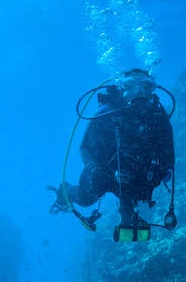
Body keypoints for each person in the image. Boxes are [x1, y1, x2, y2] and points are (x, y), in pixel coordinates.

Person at [53, 68, 176, 241]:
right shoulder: (106, 111)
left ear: (152, 89)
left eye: (146, 86)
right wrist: (94, 168)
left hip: (138, 171)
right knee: (85, 199)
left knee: (140, 195)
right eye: (132, 85)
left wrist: (164, 170)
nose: (139, 92)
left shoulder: (157, 114)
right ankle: (66, 192)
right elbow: (84, 147)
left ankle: (129, 217)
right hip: (104, 170)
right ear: (123, 87)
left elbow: (169, 152)